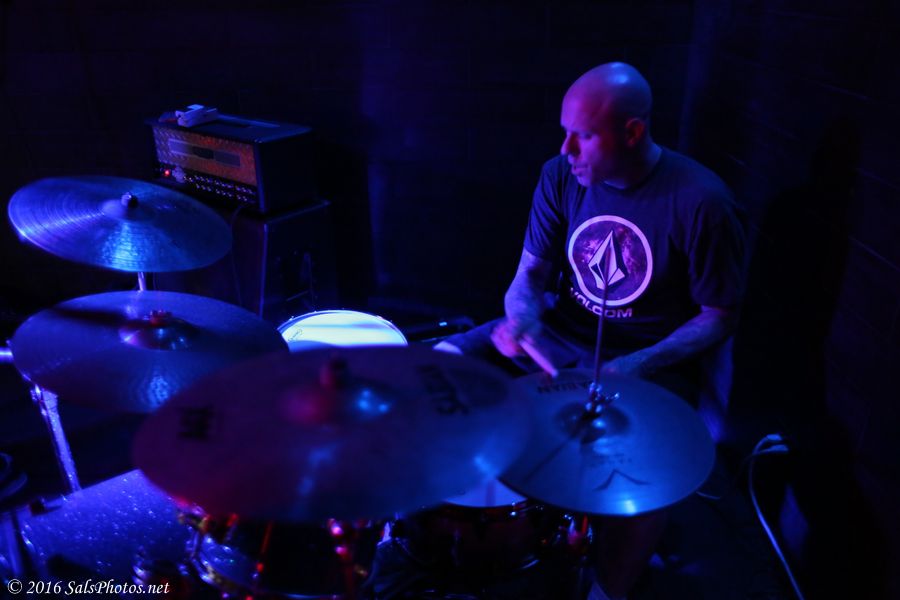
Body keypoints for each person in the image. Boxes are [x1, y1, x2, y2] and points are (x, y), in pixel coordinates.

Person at [436, 62, 745, 599]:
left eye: (582, 136)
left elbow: (719, 315)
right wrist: (521, 316)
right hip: (557, 336)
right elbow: (529, 276)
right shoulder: (559, 176)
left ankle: (608, 590)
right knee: (438, 364)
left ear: (633, 132)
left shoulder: (702, 202)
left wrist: (639, 363)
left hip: (649, 361)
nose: (567, 150)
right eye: (565, 133)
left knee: (648, 474)